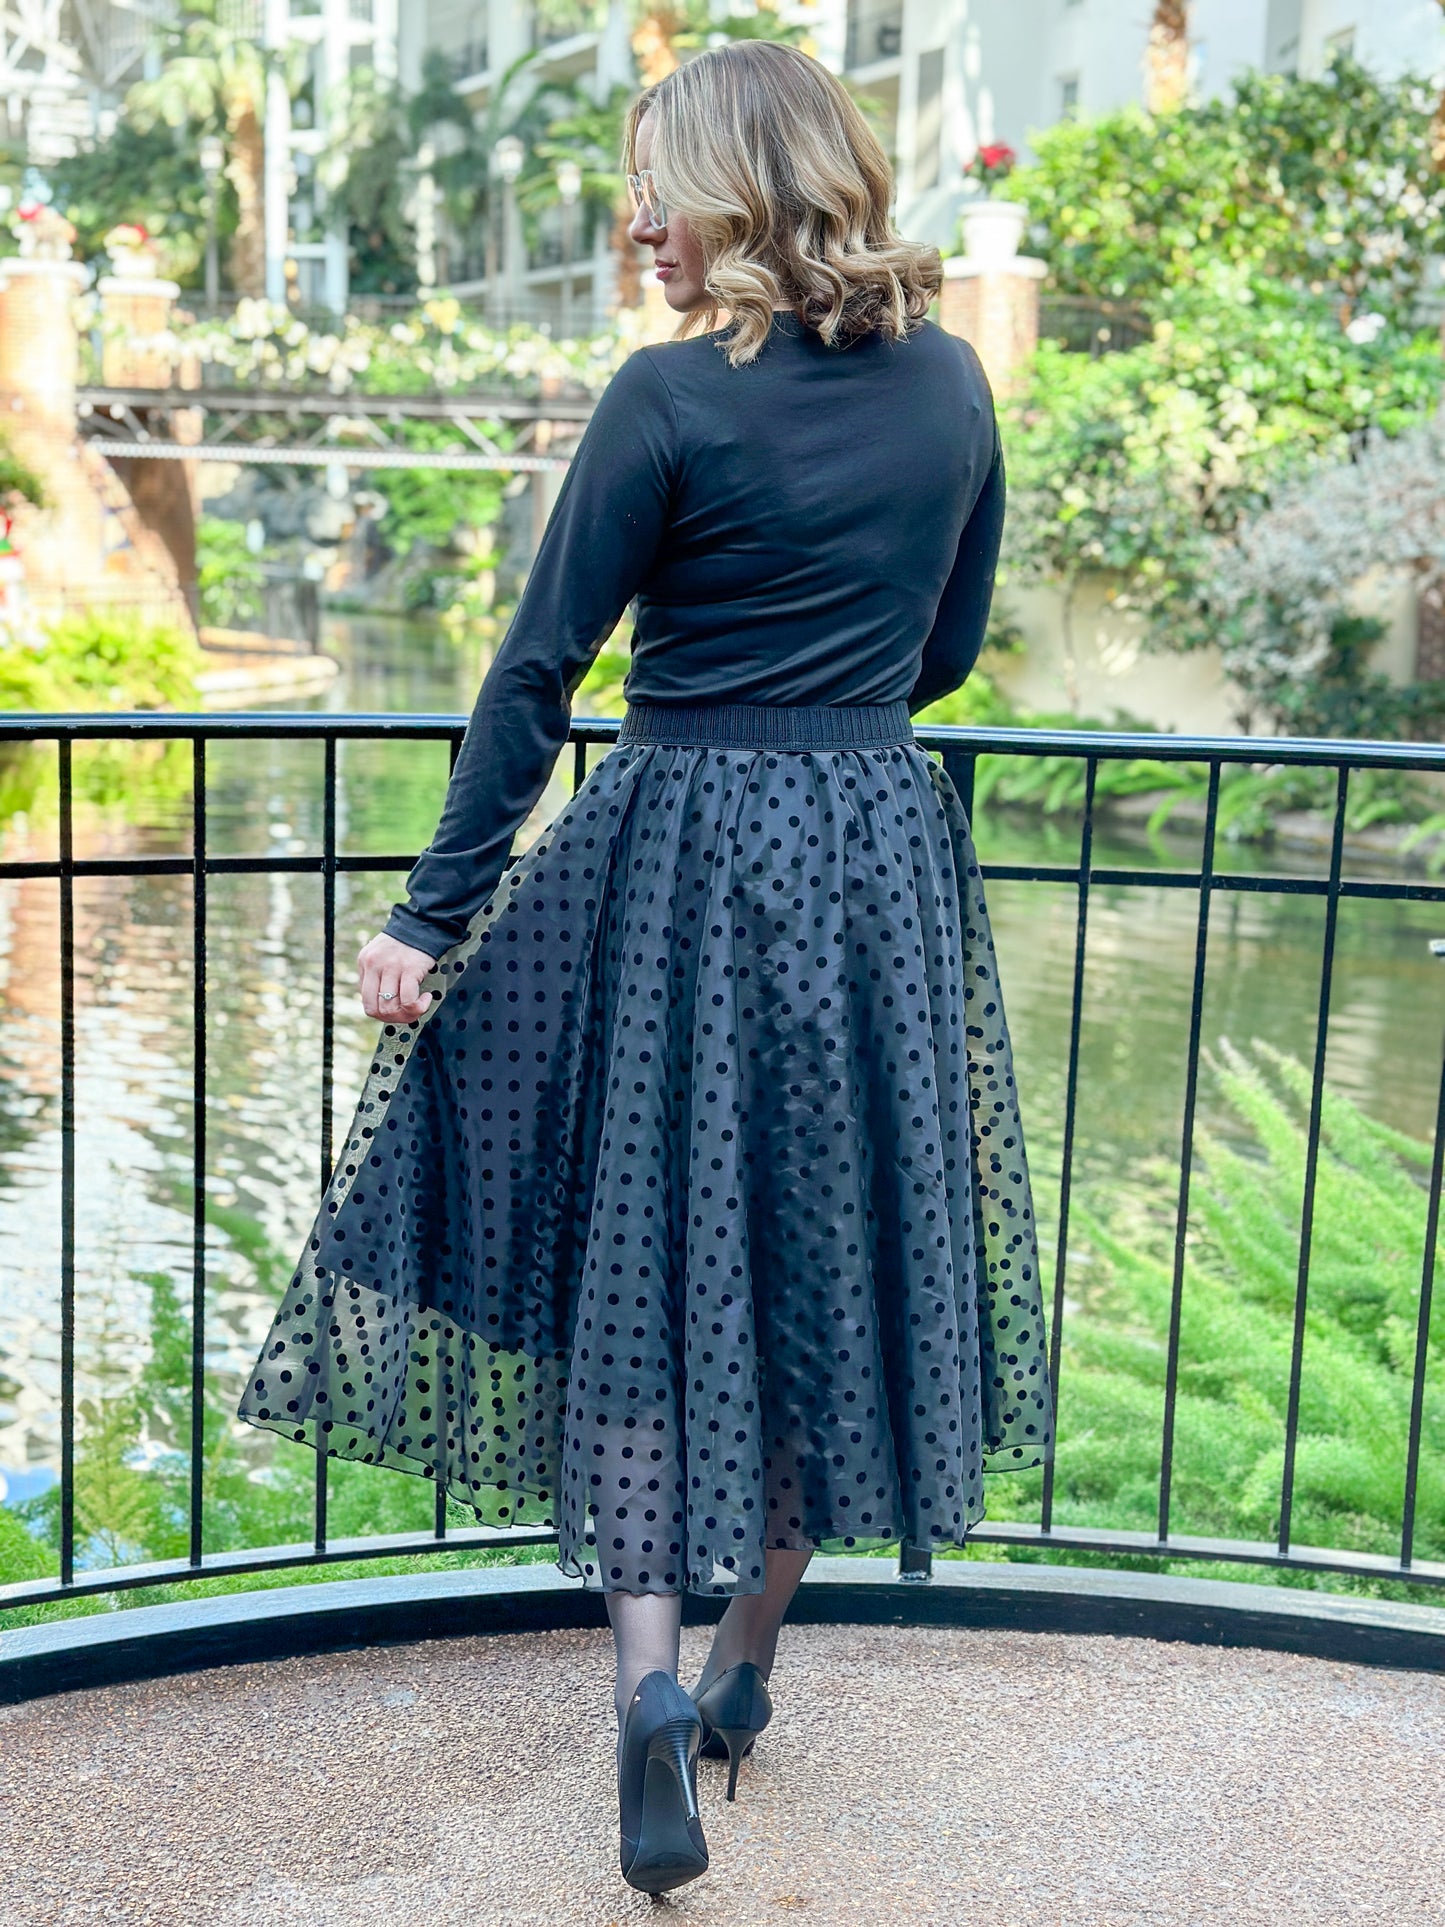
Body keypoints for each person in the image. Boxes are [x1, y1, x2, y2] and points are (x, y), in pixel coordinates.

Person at [237, 39, 1052, 1897]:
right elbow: (948, 647)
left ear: (744, 191)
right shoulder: (950, 382)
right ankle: (750, 1672)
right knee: (821, 1270)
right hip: (870, 867)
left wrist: (428, 917)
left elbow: (536, 675)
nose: (635, 226)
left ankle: (650, 1691)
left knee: (642, 1261)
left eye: (656, 186)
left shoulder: (666, 396)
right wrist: (828, 711)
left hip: (678, 856)